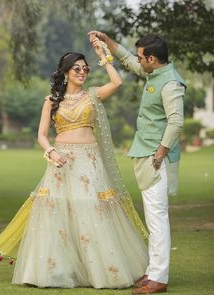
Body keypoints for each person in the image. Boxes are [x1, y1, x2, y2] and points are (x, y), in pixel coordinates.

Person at [0, 36, 149, 289]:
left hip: (90, 161)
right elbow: (41, 135)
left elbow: (117, 82)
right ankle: (56, 272)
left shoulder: (93, 95)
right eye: (77, 68)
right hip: (61, 161)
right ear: (65, 72)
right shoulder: (52, 101)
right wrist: (51, 152)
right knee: (58, 213)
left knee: (92, 209)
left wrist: (103, 55)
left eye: (85, 68)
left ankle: (102, 272)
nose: (83, 72)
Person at [88, 31, 186, 294]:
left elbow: (176, 122)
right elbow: (129, 61)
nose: (138, 60)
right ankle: (153, 272)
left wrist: (160, 153)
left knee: (157, 218)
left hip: (156, 158)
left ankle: (159, 278)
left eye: (142, 57)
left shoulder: (171, 83)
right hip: (146, 155)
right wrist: (108, 42)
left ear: (152, 59)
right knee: (153, 217)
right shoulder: (155, 73)